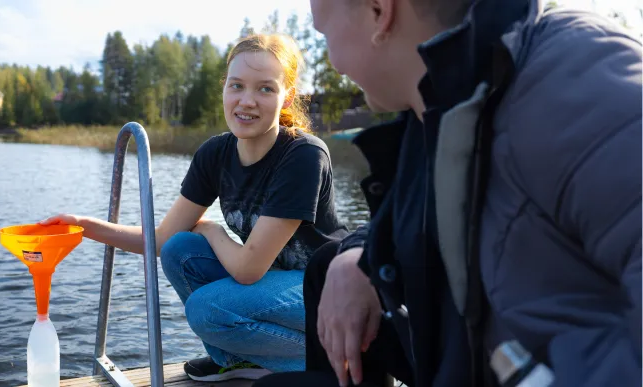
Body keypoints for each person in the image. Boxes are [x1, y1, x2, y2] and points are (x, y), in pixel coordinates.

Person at [253, 0, 641, 386]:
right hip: (481, 354)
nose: (333, 62)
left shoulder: (580, 87)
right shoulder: (439, 95)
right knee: (329, 266)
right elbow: (414, 208)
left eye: (325, 34)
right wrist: (357, 253)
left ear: (378, 11)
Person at [40, 33, 348, 382]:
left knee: (208, 308)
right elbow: (161, 241)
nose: (246, 101)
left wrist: (213, 229)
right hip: (276, 287)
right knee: (179, 248)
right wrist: (84, 226)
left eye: (265, 89)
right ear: (224, 89)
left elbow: (248, 270)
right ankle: (239, 360)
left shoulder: (303, 156)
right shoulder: (214, 154)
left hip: (329, 291)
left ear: (287, 97)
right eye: (237, 86)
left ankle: (338, 363)